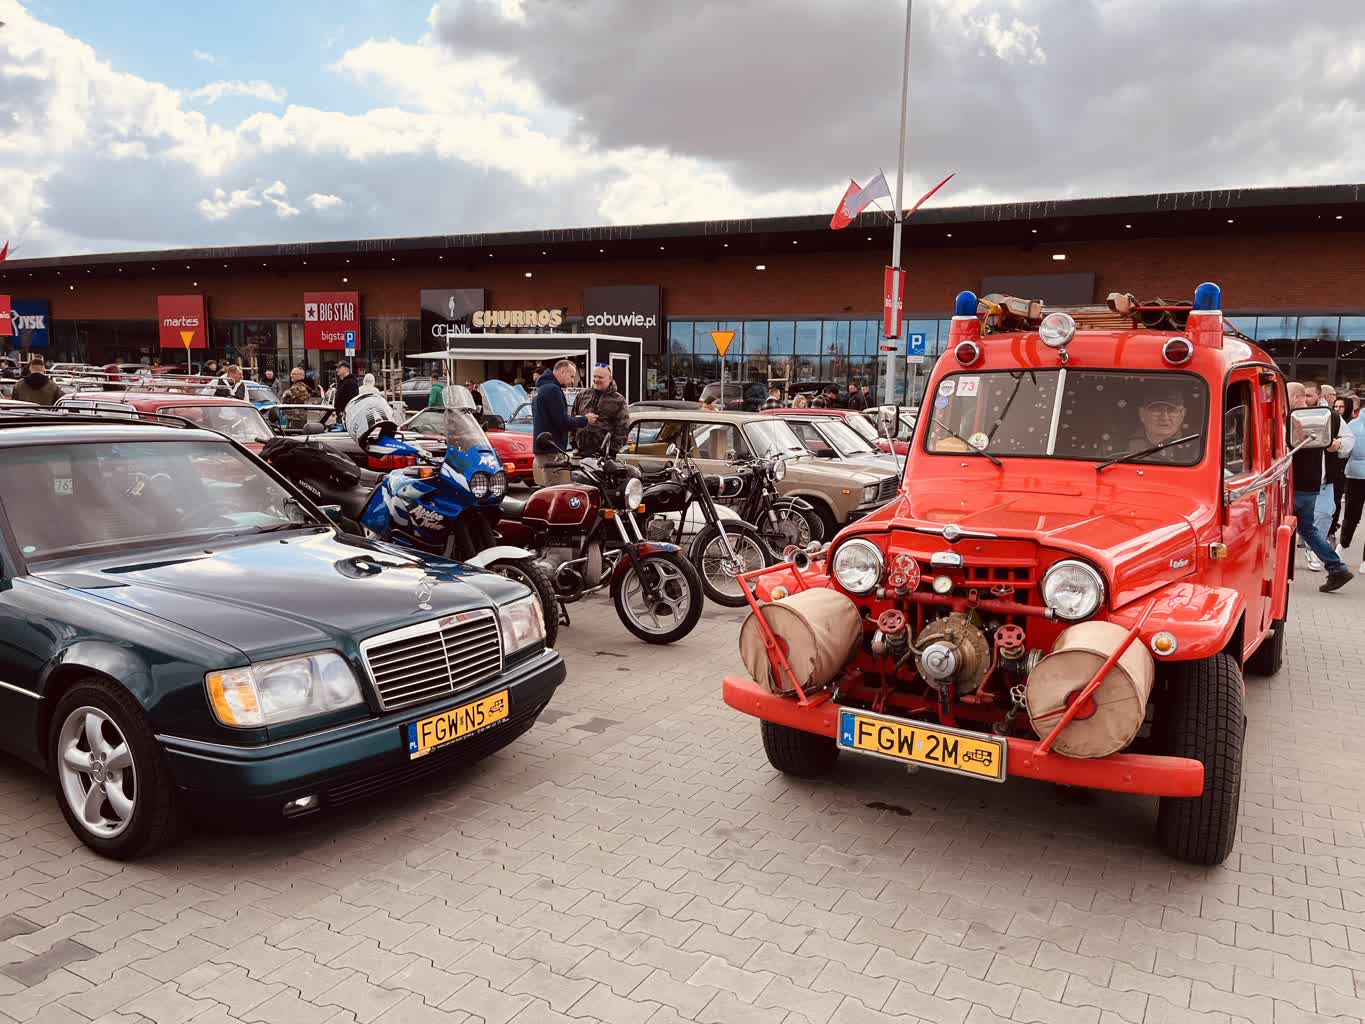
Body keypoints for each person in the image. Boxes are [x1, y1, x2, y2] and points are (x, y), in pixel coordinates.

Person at [1288, 381, 1353, 591]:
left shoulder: (1294, 417)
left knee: (1284, 528)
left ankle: (1277, 571)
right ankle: (1337, 568)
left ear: (1296, 397)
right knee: (1308, 529)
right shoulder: (1324, 416)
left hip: (1295, 484)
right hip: (1309, 484)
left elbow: (1348, 441)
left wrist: (1338, 445)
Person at [532, 359, 596, 485]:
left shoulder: (541, 389)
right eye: (571, 376)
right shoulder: (553, 390)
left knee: (552, 487)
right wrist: (584, 419)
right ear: (562, 372)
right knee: (558, 489)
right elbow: (562, 422)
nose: (572, 381)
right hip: (552, 450)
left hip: (544, 449)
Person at [572, 364, 629, 457]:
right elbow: (573, 419)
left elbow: (622, 429)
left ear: (610, 379)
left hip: (604, 456)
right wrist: (573, 445)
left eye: (600, 377)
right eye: (594, 376)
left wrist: (611, 452)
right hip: (580, 453)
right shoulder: (582, 395)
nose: (596, 379)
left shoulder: (618, 400)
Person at [1340, 400, 1365, 574]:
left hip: (1354, 474)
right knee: (1351, 515)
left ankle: (1341, 548)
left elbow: (1344, 452)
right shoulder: (1353, 424)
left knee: (1351, 515)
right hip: (1355, 475)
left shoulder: (1353, 425)